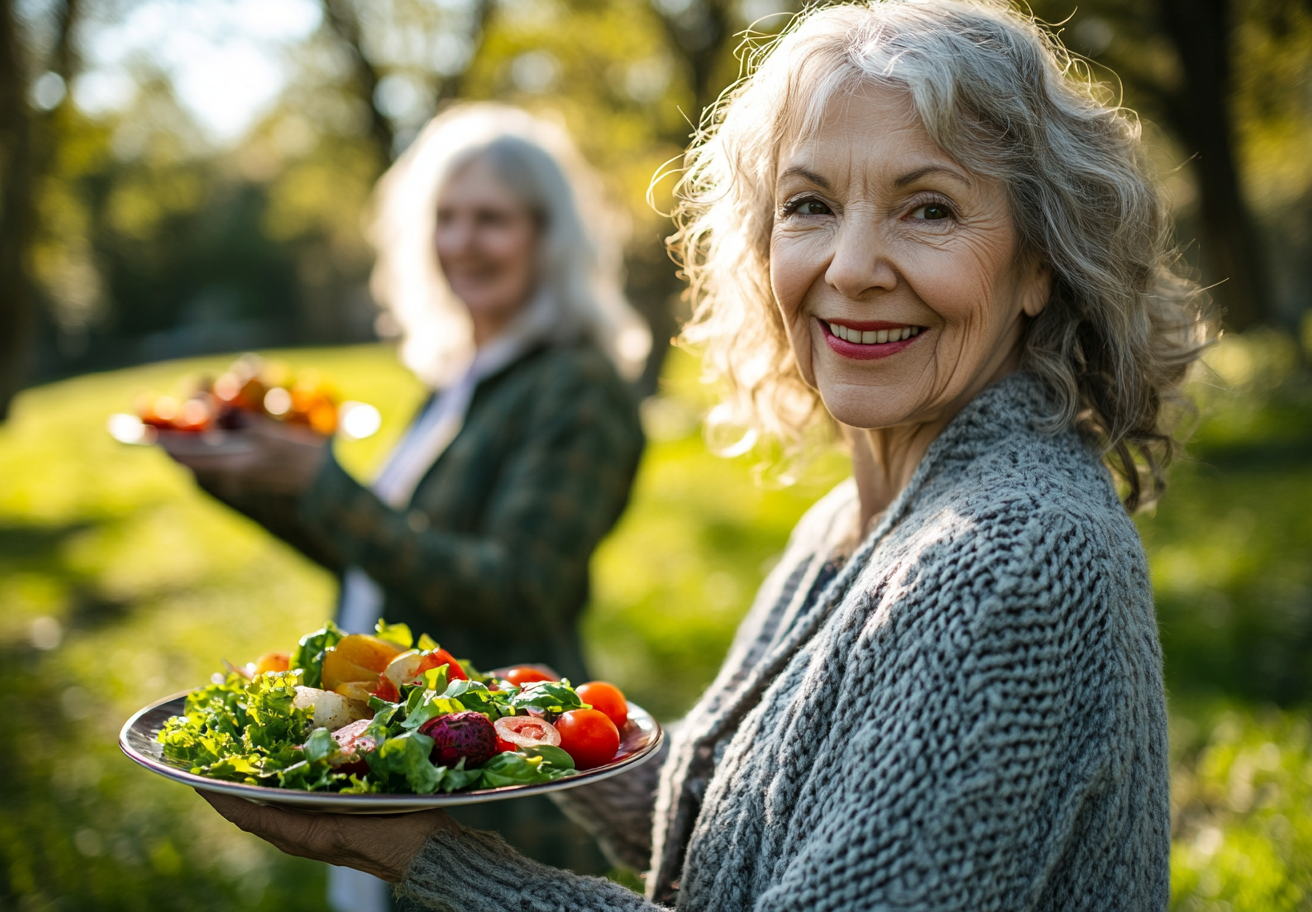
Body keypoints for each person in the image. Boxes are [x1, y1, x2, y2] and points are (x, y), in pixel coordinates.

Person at [198, 2, 1215, 909]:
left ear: (1039, 263)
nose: (850, 269)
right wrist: (517, 732)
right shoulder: (851, 521)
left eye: (928, 208)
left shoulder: (1011, 556)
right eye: (809, 205)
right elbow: (742, 839)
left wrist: (438, 861)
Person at [163, 105, 649, 906]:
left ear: (547, 235)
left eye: (490, 219)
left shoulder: (575, 387)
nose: (461, 242)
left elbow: (518, 583)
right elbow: (384, 552)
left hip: (499, 784)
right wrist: (239, 473)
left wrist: (322, 485)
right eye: (446, 218)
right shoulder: (462, 377)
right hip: (406, 761)